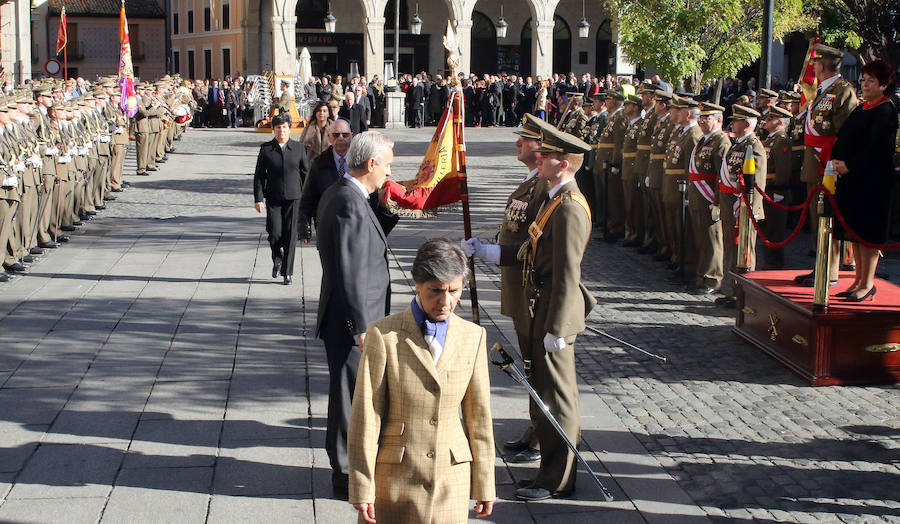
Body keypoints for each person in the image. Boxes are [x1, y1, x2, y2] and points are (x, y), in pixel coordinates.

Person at [348, 238, 496, 524]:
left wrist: (485, 482)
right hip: (396, 479)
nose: (445, 301)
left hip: (451, 477)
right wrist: (362, 485)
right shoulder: (384, 335)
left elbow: (479, 418)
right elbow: (367, 416)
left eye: (454, 291)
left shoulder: (473, 337)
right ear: (417, 285)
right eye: (436, 291)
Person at [461, 114, 553, 465]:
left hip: (531, 288)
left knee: (537, 365)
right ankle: (535, 429)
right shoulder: (530, 183)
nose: (518, 143)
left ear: (540, 147)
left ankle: (543, 436)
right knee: (530, 363)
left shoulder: (542, 188)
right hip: (519, 285)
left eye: (525, 139)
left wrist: (491, 252)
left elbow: (535, 246)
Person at [314, 131, 397, 500]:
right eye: (388, 166)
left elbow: (367, 240)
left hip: (354, 316)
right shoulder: (348, 201)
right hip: (352, 321)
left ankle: (349, 466)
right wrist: (359, 326)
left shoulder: (347, 192)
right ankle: (345, 474)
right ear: (371, 164)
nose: (390, 174)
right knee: (348, 397)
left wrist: (387, 210)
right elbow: (348, 269)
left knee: (352, 393)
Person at [831, 59, 899, 302]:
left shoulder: (886, 110)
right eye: (863, 80)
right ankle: (858, 280)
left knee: (868, 234)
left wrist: (850, 165)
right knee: (855, 232)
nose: (865, 85)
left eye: (871, 81)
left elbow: (877, 149)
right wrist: (837, 161)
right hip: (851, 180)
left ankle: (867, 282)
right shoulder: (862, 108)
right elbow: (845, 137)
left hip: (872, 182)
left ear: (884, 85)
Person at [795, 44, 858, 287]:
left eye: (815, 63)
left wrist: (834, 161)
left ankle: (829, 270)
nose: (813, 67)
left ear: (822, 66)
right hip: (815, 164)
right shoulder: (823, 91)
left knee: (826, 217)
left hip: (828, 164)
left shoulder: (843, 91)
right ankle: (820, 265)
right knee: (816, 217)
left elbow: (846, 134)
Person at [715, 105, 767, 308]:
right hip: (731, 205)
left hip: (743, 209)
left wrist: (747, 209)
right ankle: (731, 289)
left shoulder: (754, 147)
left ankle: (744, 294)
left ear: (746, 124)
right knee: (730, 249)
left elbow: (757, 182)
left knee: (744, 251)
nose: (732, 123)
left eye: (736, 120)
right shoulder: (737, 145)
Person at [252, 113, 310, 285]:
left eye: (285, 127)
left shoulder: (298, 148)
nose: (282, 131)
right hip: (274, 198)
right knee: (275, 233)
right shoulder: (266, 149)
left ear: (289, 129)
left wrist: (308, 196)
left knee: (291, 236)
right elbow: (259, 176)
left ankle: (288, 272)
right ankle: (277, 257)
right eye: (278, 127)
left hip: (294, 197)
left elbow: (305, 173)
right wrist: (258, 198)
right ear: (273, 129)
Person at [687, 102, 730, 295]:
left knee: (713, 240)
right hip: (698, 195)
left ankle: (712, 279)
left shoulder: (721, 141)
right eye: (701, 118)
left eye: (707, 118)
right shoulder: (704, 140)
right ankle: (702, 274)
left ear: (719, 120)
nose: (702, 121)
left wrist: (718, 202)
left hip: (710, 197)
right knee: (701, 239)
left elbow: (722, 175)